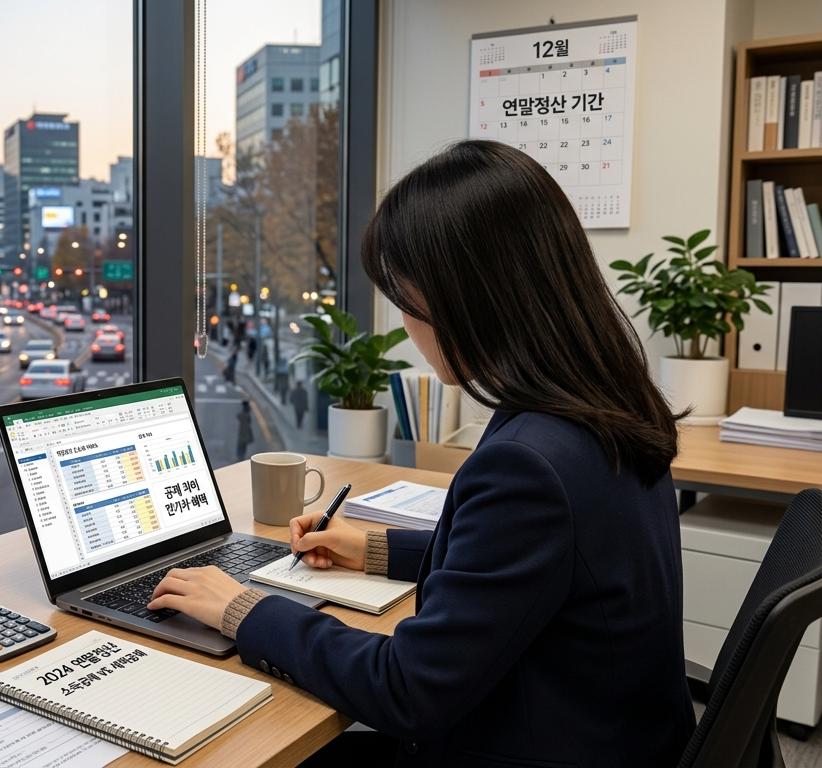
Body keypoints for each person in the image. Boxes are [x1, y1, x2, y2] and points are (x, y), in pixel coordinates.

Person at [147, 141, 693, 766]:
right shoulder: (604, 409)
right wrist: (373, 547)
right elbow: (522, 569)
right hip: (608, 732)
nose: (407, 324)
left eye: (407, 301)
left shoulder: (531, 464)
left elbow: (407, 689)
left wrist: (244, 609)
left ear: (469, 301)